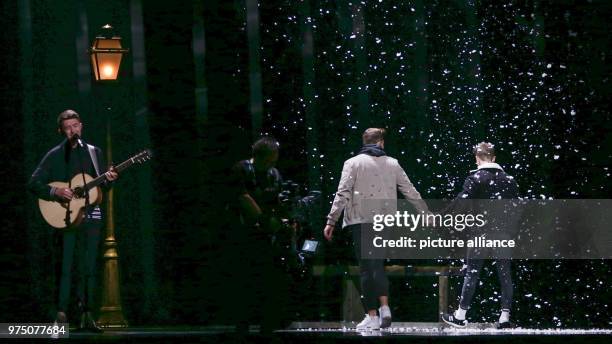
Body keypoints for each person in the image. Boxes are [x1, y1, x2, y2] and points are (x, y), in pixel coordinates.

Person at [323, 128, 429, 331]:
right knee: (377, 264)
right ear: (381, 142)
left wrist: (331, 220)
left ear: (365, 142)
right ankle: (385, 306)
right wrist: (425, 212)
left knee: (366, 268)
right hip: (384, 220)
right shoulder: (392, 163)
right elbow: (409, 189)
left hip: (361, 220)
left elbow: (342, 193)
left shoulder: (352, 163)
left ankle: (372, 315)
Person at [28, 109, 118, 332]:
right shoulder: (55, 154)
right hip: (65, 218)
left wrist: (110, 180)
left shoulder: (94, 152)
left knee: (88, 267)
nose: (72, 131)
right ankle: (61, 314)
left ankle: (87, 314)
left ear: (81, 126)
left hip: (92, 215)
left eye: (75, 126)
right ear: (61, 131)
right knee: (66, 266)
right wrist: (56, 192)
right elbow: (34, 183)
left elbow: (102, 186)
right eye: (67, 128)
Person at [441, 142, 519, 329]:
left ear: (477, 158)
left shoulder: (475, 178)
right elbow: (516, 208)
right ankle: (504, 317)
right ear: (494, 158)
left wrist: (441, 217)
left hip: (481, 231)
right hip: (503, 232)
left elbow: (461, 202)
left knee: (472, 273)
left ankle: (460, 316)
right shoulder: (510, 179)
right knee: (505, 274)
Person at [228, 136, 289, 335]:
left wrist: (284, 219)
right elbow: (242, 196)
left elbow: (277, 199)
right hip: (244, 232)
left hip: (265, 233)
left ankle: (267, 323)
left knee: (268, 280)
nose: (272, 163)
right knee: (245, 280)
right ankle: (243, 325)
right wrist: (264, 220)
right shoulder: (242, 169)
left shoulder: (273, 173)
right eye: (270, 159)